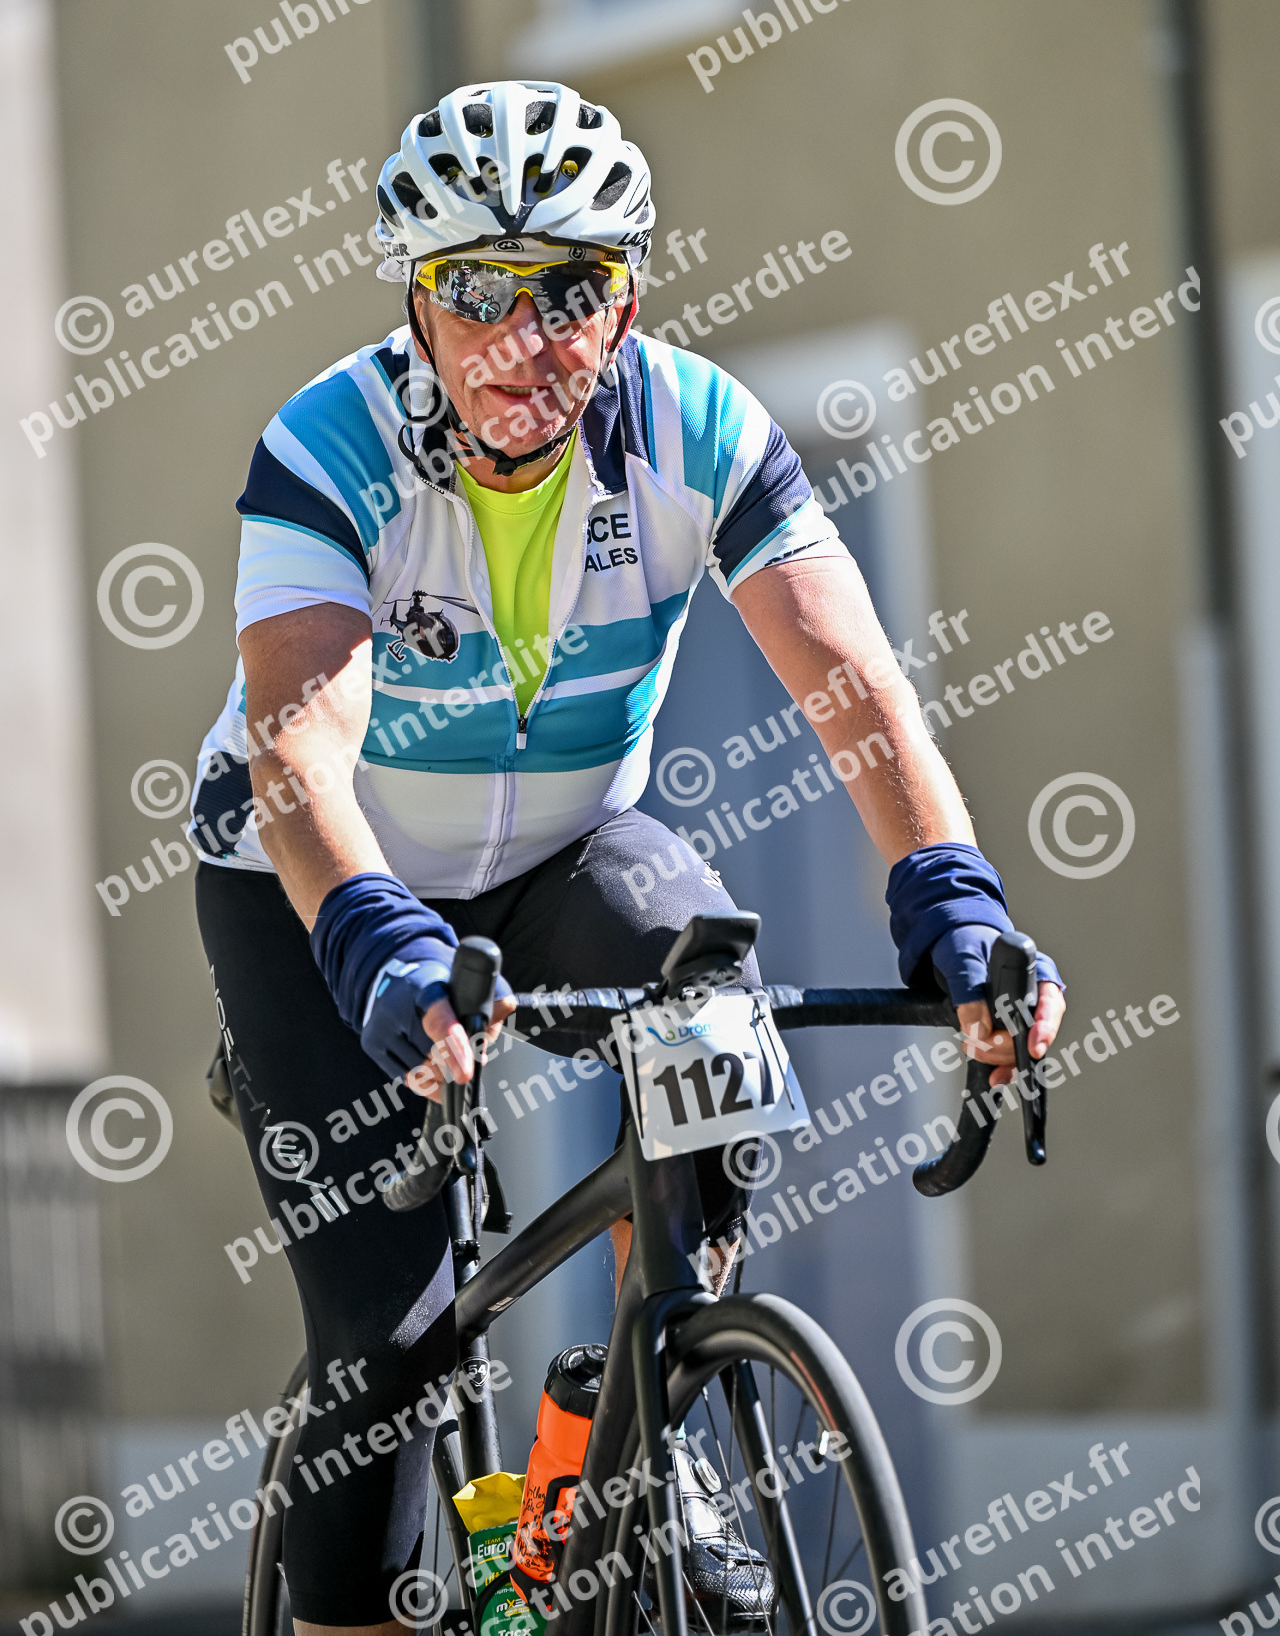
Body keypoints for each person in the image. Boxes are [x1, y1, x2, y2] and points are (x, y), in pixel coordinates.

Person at [191, 79, 1064, 1635]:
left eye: (572, 291)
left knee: (712, 1002)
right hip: (318, 881)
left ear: (630, 300)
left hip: (565, 848)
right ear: (417, 301)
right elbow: (298, 752)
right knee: (391, 1339)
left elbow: (856, 685)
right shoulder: (328, 446)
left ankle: (637, 1418)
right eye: (479, 291)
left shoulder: (696, 430)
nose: (524, 340)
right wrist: (373, 937)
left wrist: (955, 898)